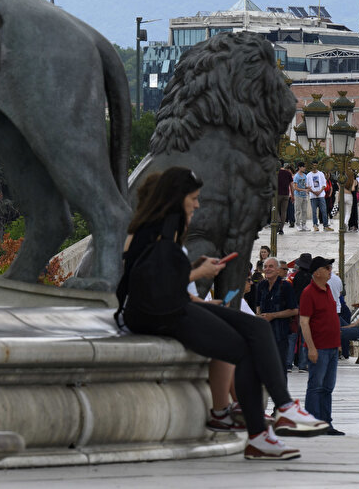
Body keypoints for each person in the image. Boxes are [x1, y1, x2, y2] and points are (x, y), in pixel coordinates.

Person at [117, 168, 327, 459]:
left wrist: (194, 280)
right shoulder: (153, 232)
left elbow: (163, 279)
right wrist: (197, 273)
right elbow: (149, 285)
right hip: (160, 315)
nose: (197, 204)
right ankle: (260, 434)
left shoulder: (166, 229)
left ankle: (284, 408)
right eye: (193, 198)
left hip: (174, 307)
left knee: (257, 328)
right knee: (242, 348)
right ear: (176, 198)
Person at [298, 256, 344, 436]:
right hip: (319, 347)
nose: (330, 270)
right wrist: (311, 347)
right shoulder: (308, 293)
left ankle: (326, 423)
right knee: (316, 386)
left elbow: (331, 317)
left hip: (332, 346)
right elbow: (304, 322)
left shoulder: (328, 289)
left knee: (327, 387)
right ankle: (312, 422)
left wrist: (338, 344)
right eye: (327, 267)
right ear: (317, 272)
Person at [255, 257, 297, 376]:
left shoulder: (286, 286)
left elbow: (294, 310)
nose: (267, 269)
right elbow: (258, 305)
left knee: (279, 369)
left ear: (278, 270)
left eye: (271, 266)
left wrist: (273, 316)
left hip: (280, 334)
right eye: (265, 267)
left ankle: (280, 393)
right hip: (264, 334)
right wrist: (259, 316)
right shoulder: (261, 285)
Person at [305, 163, 328, 232]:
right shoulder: (308, 175)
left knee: (324, 211)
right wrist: (314, 192)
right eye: (313, 165)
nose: (314, 166)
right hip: (313, 196)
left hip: (321, 195)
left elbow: (324, 184)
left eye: (315, 165)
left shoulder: (321, 174)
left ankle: (325, 225)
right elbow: (307, 185)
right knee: (314, 212)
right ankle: (315, 225)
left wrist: (320, 191)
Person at [274, 162, 293, 235]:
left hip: (277, 194)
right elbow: (291, 186)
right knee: (284, 211)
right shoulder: (288, 173)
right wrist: (293, 196)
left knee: (275, 209)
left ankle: (278, 221)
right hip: (286, 195)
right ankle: (281, 229)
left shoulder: (275, 173)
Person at [291, 164, 308, 231]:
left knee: (304, 211)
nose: (304, 168)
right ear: (299, 167)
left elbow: (305, 185)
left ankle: (304, 224)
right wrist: (304, 189)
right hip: (298, 195)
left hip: (304, 195)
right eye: (303, 167)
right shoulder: (296, 176)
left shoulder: (305, 176)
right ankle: (297, 224)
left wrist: (308, 188)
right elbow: (295, 187)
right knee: (298, 210)